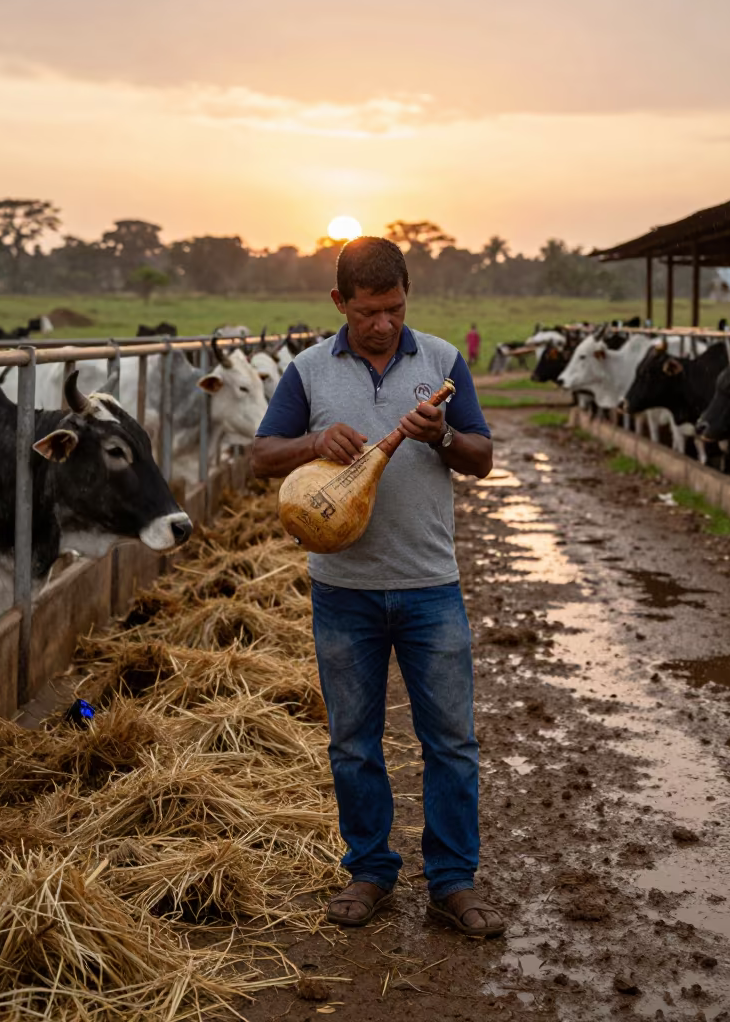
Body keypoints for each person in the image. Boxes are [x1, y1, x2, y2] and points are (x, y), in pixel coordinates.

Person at [253, 237, 506, 938]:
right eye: (367, 312)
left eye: (394, 309)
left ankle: (452, 884)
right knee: (354, 742)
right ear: (340, 304)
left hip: (431, 587)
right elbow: (259, 457)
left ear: (406, 298)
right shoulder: (307, 371)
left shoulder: (443, 362)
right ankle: (369, 872)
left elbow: (482, 457)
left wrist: (443, 438)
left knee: (451, 741)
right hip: (344, 590)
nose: (383, 324)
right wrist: (312, 444)